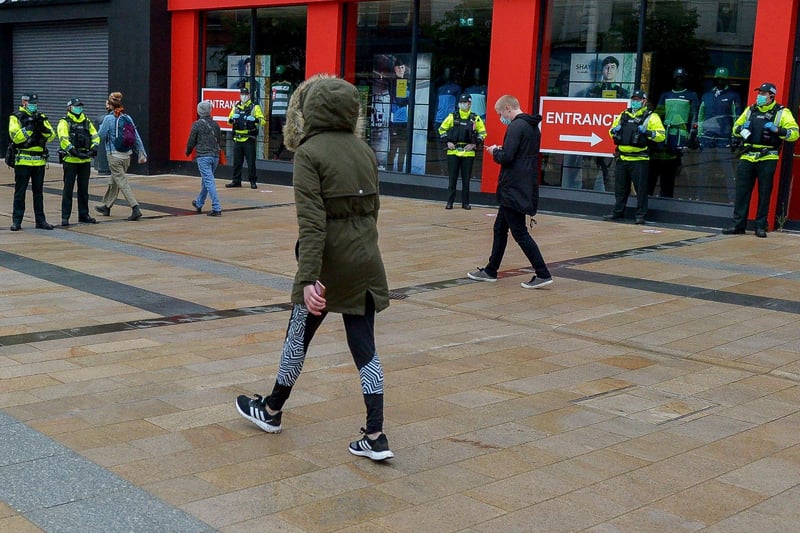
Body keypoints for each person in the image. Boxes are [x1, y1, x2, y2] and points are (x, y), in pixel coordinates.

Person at [235, 74, 394, 461]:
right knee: (366, 350)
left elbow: (312, 223)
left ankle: (272, 409)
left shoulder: (308, 153)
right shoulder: (364, 150)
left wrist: (308, 278)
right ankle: (375, 434)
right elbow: (373, 211)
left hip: (326, 264)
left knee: (297, 339)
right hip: (366, 261)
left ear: (310, 110)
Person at [467, 94, 553, 290]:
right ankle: (491, 270)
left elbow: (507, 156)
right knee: (500, 228)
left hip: (513, 187)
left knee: (520, 232)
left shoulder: (516, 126)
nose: (500, 118)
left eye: (499, 114)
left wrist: (495, 152)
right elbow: (520, 155)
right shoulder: (531, 126)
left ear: (508, 108)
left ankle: (542, 273)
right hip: (521, 185)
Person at [722, 82, 799, 238]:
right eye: (760, 93)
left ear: (772, 96)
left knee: (764, 193)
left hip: (768, 156)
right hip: (747, 154)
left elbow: (794, 133)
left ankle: (760, 226)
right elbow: (735, 129)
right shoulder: (751, 110)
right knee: (742, 193)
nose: (760, 96)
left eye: (763, 94)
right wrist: (742, 129)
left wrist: (778, 130)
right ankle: (738, 225)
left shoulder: (782, 112)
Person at [604, 89, 666, 224]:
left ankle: (640, 215)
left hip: (639, 159)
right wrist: (614, 131)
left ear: (644, 101)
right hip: (623, 158)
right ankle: (618, 212)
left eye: (638, 100)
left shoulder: (651, 116)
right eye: (633, 99)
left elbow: (661, 135)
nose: (635, 102)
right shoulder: (623, 115)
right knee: (620, 188)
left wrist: (648, 132)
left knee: (641, 190)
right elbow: (611, 131)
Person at [95, 92, 148, 221]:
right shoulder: (127, 117)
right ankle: (106, 206)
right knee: (115, 181)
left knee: (122, 182)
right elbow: (136, 137)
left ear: (110, 104)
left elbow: (100, 135)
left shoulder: (108, 119)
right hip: (126, 157)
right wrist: (142, 153)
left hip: (114, 156)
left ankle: (135, 207)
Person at [8, 92, 56, 231]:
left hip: (39, 162)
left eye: (36, 103)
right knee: (20, 192)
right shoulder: (16, 117)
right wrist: (29, 129)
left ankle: (40, 221)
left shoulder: (41, 117)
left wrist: (42, 128)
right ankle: (17, 221)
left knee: (38, 193)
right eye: (31, 103)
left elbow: (52, 136)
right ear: (24, 102)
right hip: (23, 161)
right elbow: (15, 137)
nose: (34, 106)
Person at [650, 67, 700, 198]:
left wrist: (692, 134)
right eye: (677, 77)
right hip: (665, 135)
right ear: (673, 78)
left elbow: (695, 116)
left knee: (676, 166)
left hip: (681, 136)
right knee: (661, 166)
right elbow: (657, 115)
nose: (679, 79)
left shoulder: (691, 95)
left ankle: (670, 196)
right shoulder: (666, 95)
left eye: (682, 77)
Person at [697, 67, 742, 201]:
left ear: (726, 80)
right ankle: (700, 197)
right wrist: (699, 135)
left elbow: (736, 117)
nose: (720, 81)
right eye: (718, 79)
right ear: (714, 79)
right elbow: (701, 116)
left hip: (724, 137)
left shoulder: (733, 96)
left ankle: (732, 199)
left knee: (728, 170)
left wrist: (735, 136)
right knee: (703, 169)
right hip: (707, 137)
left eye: (723, 79)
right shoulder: (707, 95)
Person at [438, 93, 487, 209]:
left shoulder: (475, 118)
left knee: (466, 179)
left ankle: (466, 203)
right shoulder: (452, 117)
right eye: (461, 102)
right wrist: (447, 142)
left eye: (465, 102)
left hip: (468, 153)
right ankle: (450, 202)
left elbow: (483, 133)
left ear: (470, 104)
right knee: (452, 179)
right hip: (453, 152)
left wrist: (474, 144)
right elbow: (441, 129)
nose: (462, 104)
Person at [58, 97, 100, 226]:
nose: (79, 108)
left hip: (85, 161)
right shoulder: (64, 122)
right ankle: (65, 216)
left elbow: (95, 136)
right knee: (68, 189)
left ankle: (84, 214)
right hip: (70, 160)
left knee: (83, 190)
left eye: (80, 106)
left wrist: (94, 148)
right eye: (76, 106)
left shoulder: (86, 121)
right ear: (69, 108)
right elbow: (63, 139)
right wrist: (73, 151)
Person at [185, 100, 223, 216]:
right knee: (206, 181)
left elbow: (191, 141)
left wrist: (188, 151)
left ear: (199, 111)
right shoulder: (215, 124)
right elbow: (220, 140)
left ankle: (216, 207)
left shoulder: (197, 124)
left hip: (203, 156)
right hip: (215, 157)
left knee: (209, 181)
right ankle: (199, 203)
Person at [225, 86, 265, 189]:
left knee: (251, 162)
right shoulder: (236, 107)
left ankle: (252, 181)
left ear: (249, 95)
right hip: (238, 138)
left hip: (249, 138)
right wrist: (232, 119)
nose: (243, 96)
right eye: (242, 94)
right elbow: (229, 121)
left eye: (245, 94)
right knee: (237, 163)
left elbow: (263, 121)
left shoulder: (254, 107)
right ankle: (236, 181)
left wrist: (254, 119)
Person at [388, 57, 411, 172]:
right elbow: (400, 100)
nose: (402, 70)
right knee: (393, 147)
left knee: (403, 148)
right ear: (395, 69)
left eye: (403, 67)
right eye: (399, 67)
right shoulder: (394, 82)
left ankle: (400, 171)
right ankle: (390, 169)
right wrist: (407, 99)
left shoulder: (406, 81)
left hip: (405, 120)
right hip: (396, 120)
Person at [269, 65, 293, 159]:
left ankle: (280, 153)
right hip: (274, 113)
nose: (279, 76)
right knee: (275, 134)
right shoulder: (273, 85)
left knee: (285, 133)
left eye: (280, 75)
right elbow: (271, 99)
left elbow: (291, 99)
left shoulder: (288, 85)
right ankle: (276, 152)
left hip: (283, 113)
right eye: (278, 75)